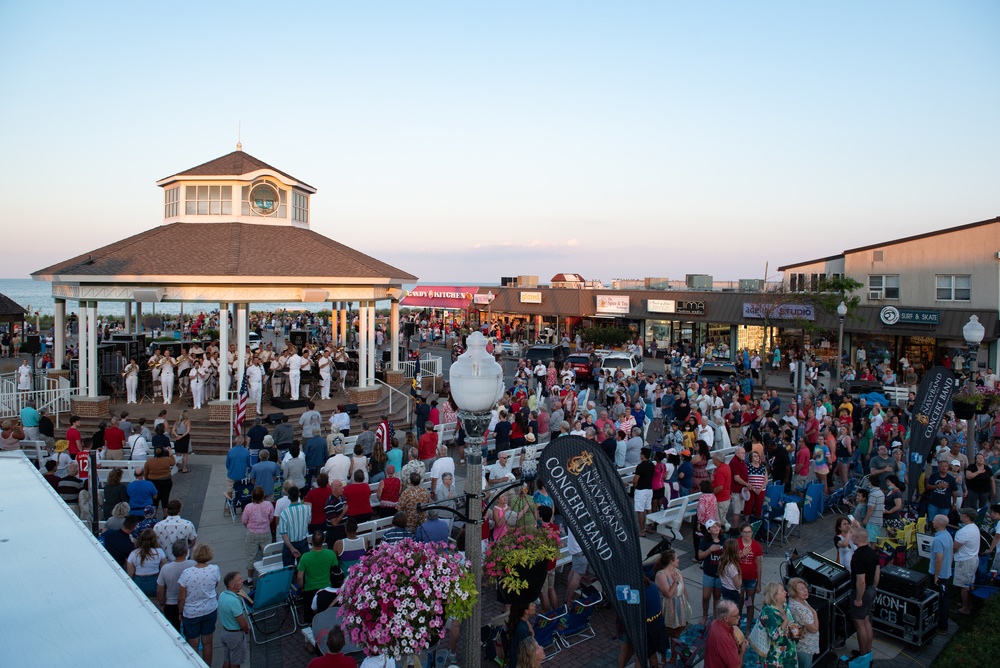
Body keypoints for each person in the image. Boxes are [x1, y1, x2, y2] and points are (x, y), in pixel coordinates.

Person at [178, 543, 222, 666]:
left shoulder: (186, 573)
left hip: (191, 613)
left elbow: (182, 597)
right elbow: (215, 585)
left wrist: (180, 612)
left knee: (193, 643)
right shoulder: (214, 569)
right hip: (210, 609)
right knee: (208, 642)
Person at [850, 527, 880, 655]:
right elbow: (877, 572)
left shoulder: (858, 556)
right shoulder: (872, 552)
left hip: (862, 592)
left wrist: (858, 598)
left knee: (860, 624)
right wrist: (873, 587)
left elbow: (860, 581)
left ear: (858, 539)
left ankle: (863, 655)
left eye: (853, 537)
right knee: (866, 621)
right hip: (871, 590)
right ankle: (868, 652)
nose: (852, 538)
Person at [298, 531, 339, 623]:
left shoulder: (305, 557)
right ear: (323, 541)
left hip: (310, 590)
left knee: (310, 619)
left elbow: (300, 577)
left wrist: (301, 587)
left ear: (311, 542)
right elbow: (335, 569)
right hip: (327, 588)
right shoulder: (331, 554)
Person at [158, 539, 196, 631]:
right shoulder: (193, 565)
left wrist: (162, 603)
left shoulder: (165, 568)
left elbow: (160, 590)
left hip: (171, 605)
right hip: (190, 604)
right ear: (186, 551)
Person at [655, 548, 692, 640]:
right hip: (668, 607)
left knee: (678, 631)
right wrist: (675, 581)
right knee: (667, 631)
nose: (678, 560)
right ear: (671, 561)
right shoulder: (661, 575)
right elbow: (669, 594)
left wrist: (687, 603)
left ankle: (674, 651)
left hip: (680, 605)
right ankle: (665, 651)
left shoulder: (678, 571)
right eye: (677, 558)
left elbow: (683, 589)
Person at [759, 582, 798, 668]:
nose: (786, 592)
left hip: (790, 654)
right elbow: (775, 637)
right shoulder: (768, 612)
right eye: (782, 590)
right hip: (777, 659)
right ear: (775, 595)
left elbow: (792, 625)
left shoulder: (784, 606)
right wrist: (785, 622)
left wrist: (798, 634)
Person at [242, 486, 275, 583]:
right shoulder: (268, 505)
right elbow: (272, 517)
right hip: (265, 532)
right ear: (263, 496)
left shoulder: (248, 507)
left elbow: (244, 520)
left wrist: (249, 527)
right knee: (267, 555)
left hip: (252, 533)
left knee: (251, 556)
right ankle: (268, 577)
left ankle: (250, 580)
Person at [218, 571, 250, 668]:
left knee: (227, 660)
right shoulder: (234, 601)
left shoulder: (222, 595)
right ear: (231, 585)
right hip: (235, 636)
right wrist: (247, 629)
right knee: (235, 663)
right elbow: (241, 622)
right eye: (239, 580)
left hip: (225, 633)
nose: (242, 581)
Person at [787, 577, 820, 668]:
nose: (805, 591)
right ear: (795, 592)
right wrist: (815, 614)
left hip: (807, 644)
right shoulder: (798, 608)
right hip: (804, 647)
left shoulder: (801, 600)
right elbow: (814, 628)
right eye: (802, 589)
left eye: (805, 588)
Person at [953, 507, 980, 616]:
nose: (960, 516)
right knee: (970, 583)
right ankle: (969, 604)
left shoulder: (963, 532)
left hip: (964, 561)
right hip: (972, 559)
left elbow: (955, 546)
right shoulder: (974, 527)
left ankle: (965, 608)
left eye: (962, 514)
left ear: (967, 518)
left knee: (964, 586)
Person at [736, 523, 764, 629]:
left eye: (749, 532)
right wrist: (742, 554)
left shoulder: (756, 546)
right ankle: (737, 626)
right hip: (739, 578)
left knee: (749, 602)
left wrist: (759, 583)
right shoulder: (736, 543)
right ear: (741, 533)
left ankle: (748, 627)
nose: (747, 534)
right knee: (740, 602)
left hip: (751, 579)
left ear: (752, 533)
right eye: (745, 532)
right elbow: (732, 559)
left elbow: (759, 565)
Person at [126, 528, 168, 597]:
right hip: (154, 582)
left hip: (138, 582)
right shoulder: (159, 552)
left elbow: (130, 574)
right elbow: (164, 571)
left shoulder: (134, 553)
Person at [705, 600, 746, 668]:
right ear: (726, 618)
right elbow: (736, 666)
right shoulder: (724, 638)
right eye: (736, 616)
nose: (739, 617)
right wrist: (742, 651)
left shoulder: (714, 623)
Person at [278, 485, 311, 567]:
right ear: (299, 494)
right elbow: (309, 522)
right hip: (303, 542)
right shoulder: (307, 508)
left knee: (288, 572)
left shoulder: (284, 513)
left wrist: (291, 548)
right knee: (304, 569)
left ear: (288, 497)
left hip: (289, 544)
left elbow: (284, 535)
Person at [699, 518, 725, 620]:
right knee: (706, 596)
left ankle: (715, 616)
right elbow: (700, 555)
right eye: (713, 526)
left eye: (717, 526)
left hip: (720, 573)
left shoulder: (724, 540)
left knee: (717, 595)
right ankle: (705, 615)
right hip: (708, 572)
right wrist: (710, 550)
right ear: (709, 530)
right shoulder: (705, 541)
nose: (716, 528)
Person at [144, 443, 176, 518]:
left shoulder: (149, 461)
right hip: (166, 481)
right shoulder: (167, 459)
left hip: (153, 482)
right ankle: (166, 515)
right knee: (165, 498)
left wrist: (147, 481)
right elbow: (173, 462)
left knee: (155, 499)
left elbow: (146, 472)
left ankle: (154, 516)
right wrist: (170, 453)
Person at [506, 602, 535, 668]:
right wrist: (533, 633)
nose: (535, 606)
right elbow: (529, 650)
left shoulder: (518, 621)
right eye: (532, 605)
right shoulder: (522, 629)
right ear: (526, 611)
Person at [718, 539, 743, 605]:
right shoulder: (732, 566)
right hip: (732, 592)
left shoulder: (722, 561)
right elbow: (738, 585)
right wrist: (740, 573)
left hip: (724, 588)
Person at [745, 450, 768, 519]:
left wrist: (760, 489)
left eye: (757, 456)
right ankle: (747, 521)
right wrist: (754, 489)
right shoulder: (748, 467)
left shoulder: (763, 467)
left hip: (761, 489)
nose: (757, 457)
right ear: (751, 458)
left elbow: (766, 480)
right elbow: (747, 479)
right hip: (751, 489)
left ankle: (757, 520)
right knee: (748, 505)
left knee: (759, 505)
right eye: (755, 456)